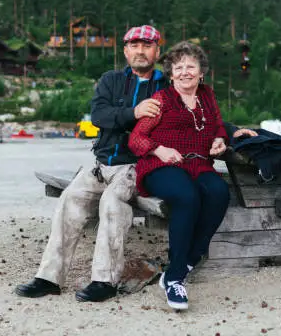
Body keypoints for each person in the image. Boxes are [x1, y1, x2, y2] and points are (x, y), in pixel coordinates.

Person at [14, 25, 167, 302]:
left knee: (112, 203)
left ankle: (104, 282)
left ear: (157, 50)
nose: (140, 51)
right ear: (125, 50)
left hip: (136, 167)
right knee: (69, 199)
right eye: (134, 45)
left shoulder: (166, 86)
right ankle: (49, 278)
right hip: (102, 164)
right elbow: (98, 116)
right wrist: (135, 112)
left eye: (147, 45)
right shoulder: (110, 80)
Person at [128, 41, 246, 310]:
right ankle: (176, 278)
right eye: (178, 67)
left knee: (219, 193)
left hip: (199, 165)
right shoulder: (161, 100)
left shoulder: (207, 96)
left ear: (201, 72)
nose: (184, 72)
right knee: (187, 197)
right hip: (160, 166)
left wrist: (220, 140)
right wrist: (159, 149)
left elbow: (217, 125)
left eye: (190, 66)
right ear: (170, 74)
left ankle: (185, 262)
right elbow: (136, 139)